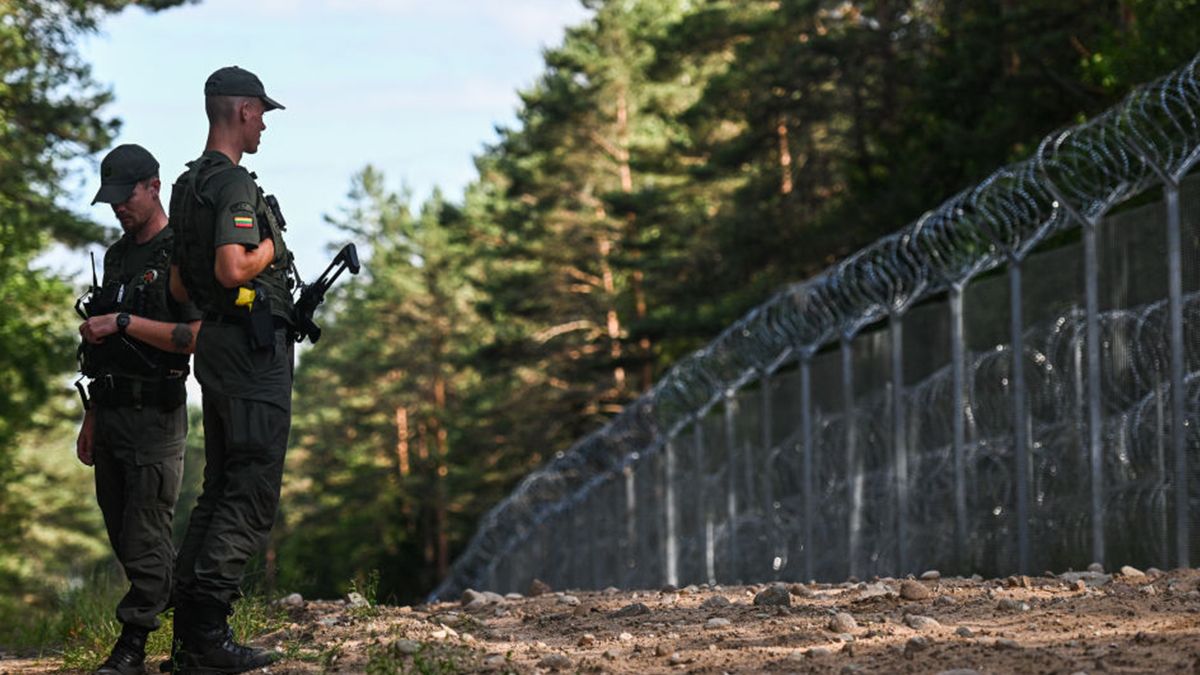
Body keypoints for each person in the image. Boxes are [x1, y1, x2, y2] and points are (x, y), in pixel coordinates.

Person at [166, 65, 295, 673]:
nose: (265, 123)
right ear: (242, 111)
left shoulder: (186, 186)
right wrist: (272, 246)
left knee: (218, 488)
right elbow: (229, 269)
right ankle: (209, 637)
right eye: (262, 112)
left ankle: (188, 637)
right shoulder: (235, 185)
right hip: (249, 355)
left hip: (215, 346)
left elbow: (176, 282)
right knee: (249, 490)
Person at [76, 143, 202, 675]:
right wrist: (91, 416)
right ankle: (197, 619)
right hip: (112, 411)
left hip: (156, 416)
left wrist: (125, 323)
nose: (118, 209)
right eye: (110, 202)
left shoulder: (182, 252)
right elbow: (102, 346)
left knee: (147, 531)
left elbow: (194, 336)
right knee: (124, 535)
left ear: (153, 186)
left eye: (125, 197)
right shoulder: (117, 255)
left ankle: (131, 647)